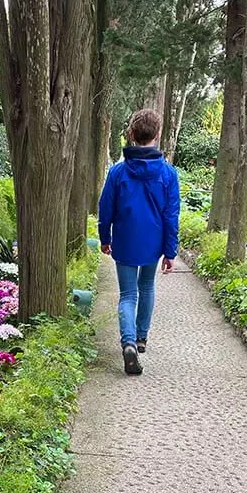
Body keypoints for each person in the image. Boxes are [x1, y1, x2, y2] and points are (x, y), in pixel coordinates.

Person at [98, 109, 180, 376]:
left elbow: (106, 207)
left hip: (125, 240)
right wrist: (170, 251)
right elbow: (171, 215)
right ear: (157, 135)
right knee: (146, 287)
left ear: (131, 134)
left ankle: (128, 342)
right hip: (153, 242)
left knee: (127, 294)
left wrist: (105, 238)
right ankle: (142, 337)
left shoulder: (118, 172)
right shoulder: (168, 174)